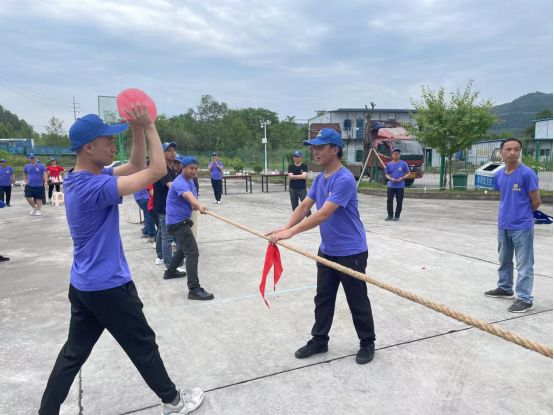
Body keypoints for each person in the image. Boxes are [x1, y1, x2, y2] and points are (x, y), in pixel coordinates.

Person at [38, 107, 204, 415]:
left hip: (84, 284)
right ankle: (174, 401)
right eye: (108, 141)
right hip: (108, 286)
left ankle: (46, 412)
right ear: (89, 147)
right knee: (143, 345)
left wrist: (137, 129)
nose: (114, 146)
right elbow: (154, 172)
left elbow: (133, 165)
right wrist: (150, 126)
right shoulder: (94, 186)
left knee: (73, 353)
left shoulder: (83, 177)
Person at [267, 129, 376, 365]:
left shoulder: (344, 179)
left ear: (334, 150)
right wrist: (284, 229)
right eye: (313, 148)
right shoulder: (319, 179)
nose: (314, 152)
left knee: (357, 300)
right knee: (323, 299)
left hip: (351, 253)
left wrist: (292, 232)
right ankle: (319, 340)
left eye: (320, 147)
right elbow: (305, 206)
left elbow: (323, 214)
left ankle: (367, 342)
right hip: (327, 250)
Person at [485, 138, 542, 313]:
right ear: (501, 152)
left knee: (524, 264)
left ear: (520, 152)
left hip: (522, 227)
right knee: (504, 259)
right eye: (508, 149)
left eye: (516, 149)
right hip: (504, 224)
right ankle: (505, 287)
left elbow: (536, 201)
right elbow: (504, 197)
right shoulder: (499, 174)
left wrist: (525, 215)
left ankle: (525, 298)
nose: (512, 153)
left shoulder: (527, 174)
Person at [165, 156, 214, 300]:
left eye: (196, 168)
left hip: (182, 221)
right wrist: (198, 206)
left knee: (184, 247)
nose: (194, 171)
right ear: (183, 168)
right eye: (191, 168)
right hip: (176, 223)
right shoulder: (179, 182)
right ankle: (194, 289)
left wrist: (196, 204)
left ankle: (171, 271)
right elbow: (188, 196)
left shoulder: (190, 181)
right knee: (192, 252)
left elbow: (193, 197)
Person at [153, 142, 184, 272]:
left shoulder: (170, 168)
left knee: (161, 231)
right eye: (169, 150)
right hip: (164, 206)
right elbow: (172, 187)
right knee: (167, 236)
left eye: (174, 150)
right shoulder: (163, 169)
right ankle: (170, 266)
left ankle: (160, 257)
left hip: (163, 205)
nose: (173, 152)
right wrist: (187, 196)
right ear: (162, 153)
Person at [384, 148, 411, 221]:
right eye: (395, 153)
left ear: (399, 155)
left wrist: (402, 178)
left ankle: (397, 216)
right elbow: (386, 174)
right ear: (392, 155)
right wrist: (390, 179)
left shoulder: (403, 164)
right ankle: (390, 215)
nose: (396, 155)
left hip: (400, 186)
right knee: (389, 200)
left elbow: (408, 173)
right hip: (391, 185)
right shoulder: (389, 164)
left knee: (399, 201)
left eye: (398, 154)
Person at [288, 151, 312, 218]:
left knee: (305, 204)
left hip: (302, 188)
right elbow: (290, 177)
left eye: (298, 156)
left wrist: (294, 176)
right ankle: (296, 219)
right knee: (294, 206)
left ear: (301, 157)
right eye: (295, 156)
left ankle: (309, 219)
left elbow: (304, 176)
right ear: (293, 158)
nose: (296, 158)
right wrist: (300, 176)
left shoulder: (304, 166)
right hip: (292, 188)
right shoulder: (291, 166)